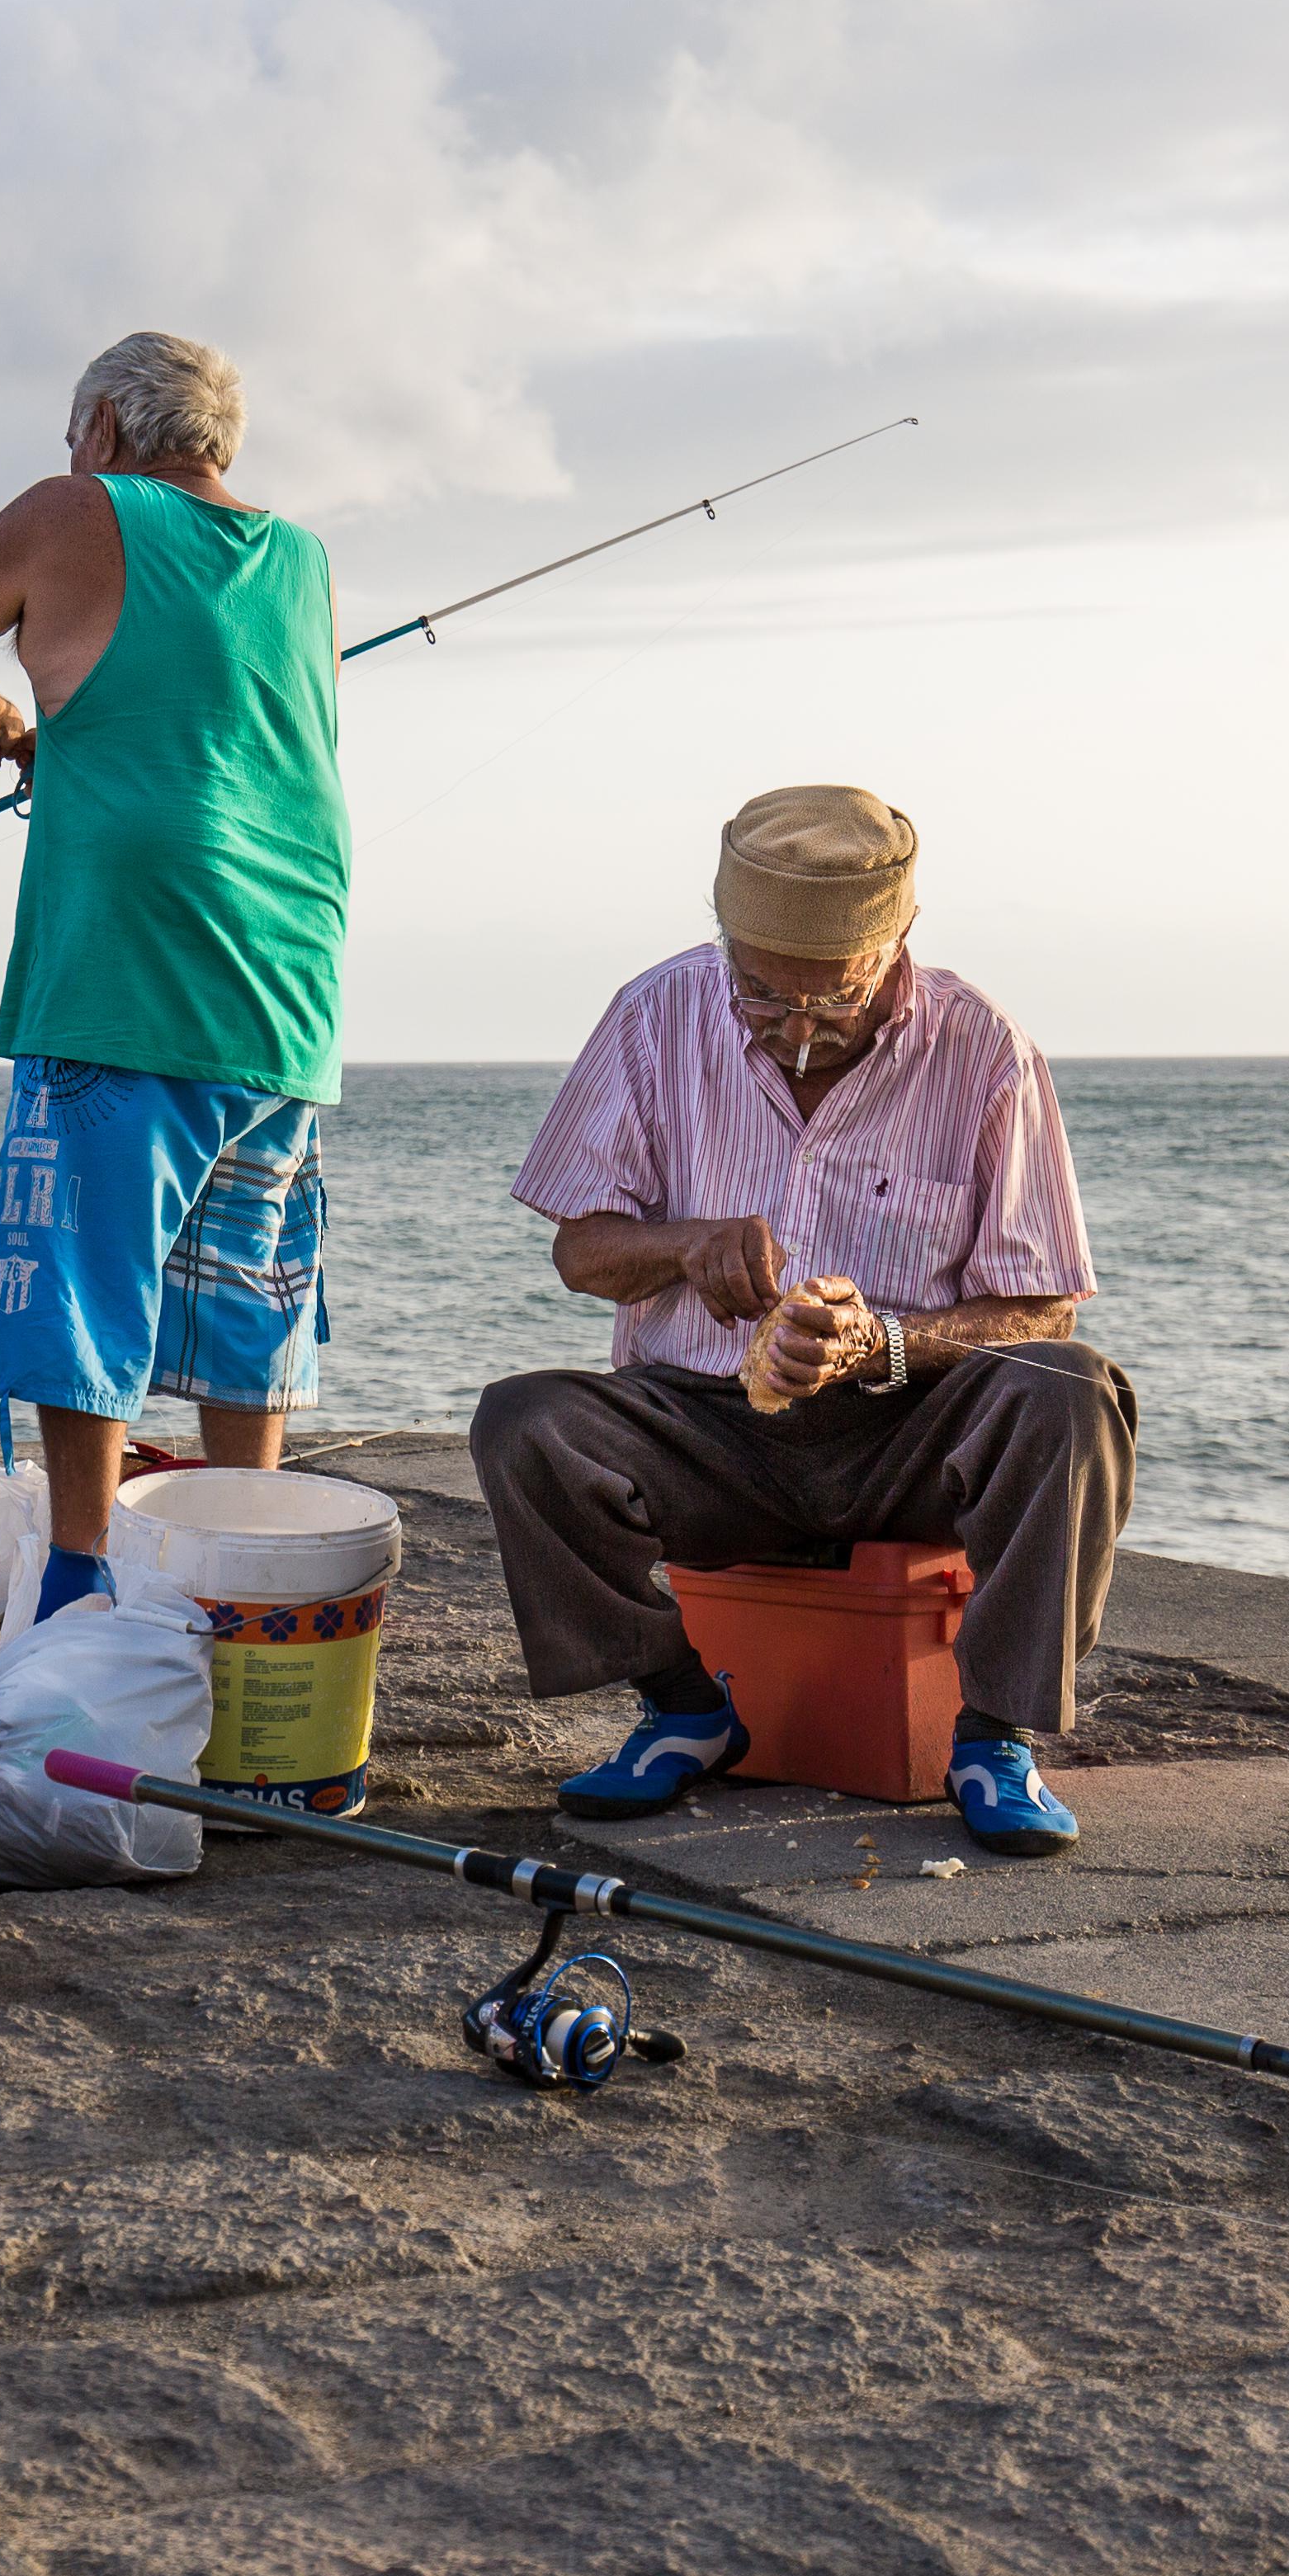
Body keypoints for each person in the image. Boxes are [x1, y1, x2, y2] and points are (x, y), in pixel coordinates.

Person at [473, 786, 1131, 1852]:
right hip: (707, 1427)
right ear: (725, 939)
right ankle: (682, 1707)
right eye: (763, 1000)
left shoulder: (984, 1050)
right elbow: (580, 1251)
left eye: (833, 1003)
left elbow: (1040, 1303)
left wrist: (888, 1343)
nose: (799, 1036)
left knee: (1070, 1390)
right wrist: (685, 1246)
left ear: (897, 943)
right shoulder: (656, 1014)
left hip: (908, 1426)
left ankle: (996, 1733)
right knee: (525, 1424)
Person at [0, 331, 350, 1621]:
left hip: (128, 956)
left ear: (103, 433)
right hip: (289, 966)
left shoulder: (73, 509)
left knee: (79, 1286)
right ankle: (248, 1580)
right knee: (248, 1285)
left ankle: (77, 1593)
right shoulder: (302, 558)